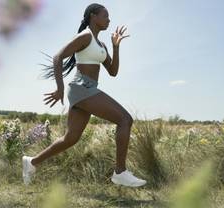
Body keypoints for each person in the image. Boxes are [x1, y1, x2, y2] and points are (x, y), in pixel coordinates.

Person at [22, 3, 147, 187]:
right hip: (82, 88)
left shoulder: (101, 44)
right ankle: (120, 172)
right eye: (105, 16)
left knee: (70, 138)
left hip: (87, 89)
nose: (109, 20)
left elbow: (113, 71)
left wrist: (115, 47)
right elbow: (58, 57)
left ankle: (31, 162)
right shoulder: (85, 36)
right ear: (93, 16)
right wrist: (60, 88)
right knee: (125, 119)